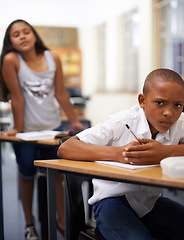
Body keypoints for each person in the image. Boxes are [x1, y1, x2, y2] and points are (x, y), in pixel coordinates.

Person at [58, 68, 184, 240]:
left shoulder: (180, 123)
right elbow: (66, 147)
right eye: (160, 103)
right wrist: (118, 153)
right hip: (111, 202)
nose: (169, 113)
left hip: (149, 203)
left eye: (177, 105)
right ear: (142, 100)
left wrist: (165, 152)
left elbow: (166, 150)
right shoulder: (122, 122)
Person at [0, 19, 84, 240]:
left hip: (52, 129)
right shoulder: (11, 60)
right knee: (26, 175)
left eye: (26, 32)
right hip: (26, 133)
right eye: (15, 35)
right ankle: (29, 225)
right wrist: (17, 128)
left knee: (55, 175)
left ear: (34, 35)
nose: (22, 36)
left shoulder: (52, 57)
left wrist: (74, 121)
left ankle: (61, 222)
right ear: (10, 42)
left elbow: (61, 94)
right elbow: (16, 99)